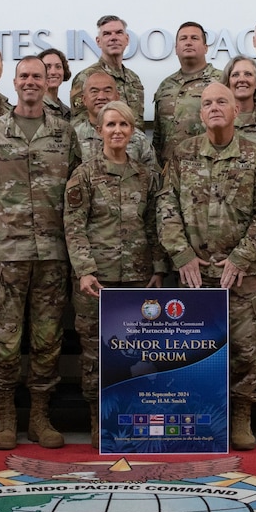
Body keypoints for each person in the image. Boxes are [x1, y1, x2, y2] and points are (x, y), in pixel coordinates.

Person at [0, 56, 79, 449]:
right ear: (14, 83)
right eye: (24, 76)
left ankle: (40, 418)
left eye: (37, 76)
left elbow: (79, 198)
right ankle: (6, 416)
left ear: (49, 81)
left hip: (53, 255)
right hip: (5, 255)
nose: (31, 82)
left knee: (47, 341)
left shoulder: (65, 133)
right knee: (7, 340)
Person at [159, 82, 256, 450]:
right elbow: (166, 206)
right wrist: (180, 254)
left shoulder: (255, 157)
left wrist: (243, 255)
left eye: (222, 102)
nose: (214, 107)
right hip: (194, 272)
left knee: (245, 348)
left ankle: (241, 416)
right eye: (208, 103)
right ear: (200, 114)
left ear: (236, 111)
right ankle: (200, 418)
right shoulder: (182, 155)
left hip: (241, 273)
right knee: (195, 349)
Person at [65, 100, 165, 408]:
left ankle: (134, 418)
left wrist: (159, 269)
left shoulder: (146, 176)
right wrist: (84, 271)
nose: (117, 130)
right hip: (98, 282)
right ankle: (100, 420)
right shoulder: (84, 175)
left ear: (134, 131)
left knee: (139, 352)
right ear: (99, 131)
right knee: (97, 352)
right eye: (110, 124)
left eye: (123, 124)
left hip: (138, 280)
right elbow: (73, 225)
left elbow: (154, 225)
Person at [153, 22, 222, 164]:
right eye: (183, 39)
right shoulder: (166, 86)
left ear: (205, 48)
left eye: (194, 38)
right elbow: (158, 137)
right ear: (176, 49)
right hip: (169, 172)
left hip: (207, 169)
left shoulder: (222, 82)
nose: (188, 42)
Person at [72, 71, 156, 166]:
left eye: (107, 91)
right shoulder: (73, 137)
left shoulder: (138, 138)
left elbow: (152, 176)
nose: (101, 97)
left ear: (117, 96)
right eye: (94, 91)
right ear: (84, 99)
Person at [70, 15, 144, 118]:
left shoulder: (134, 79)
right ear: (98, 41)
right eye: (107, 34)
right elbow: (78, 122)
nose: (113, 38)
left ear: (126, 39)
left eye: (119, 33)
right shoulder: (86, 77)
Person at [225, 55, 256, 149]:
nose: (242, 79)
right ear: (228, 83)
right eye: (235, 75)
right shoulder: (216, 123)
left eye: (248, 74)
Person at [39, 47, 72, 117]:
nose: (53, 72)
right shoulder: (34, 109)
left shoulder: (67, 111)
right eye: (48, 67)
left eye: (58, 67)